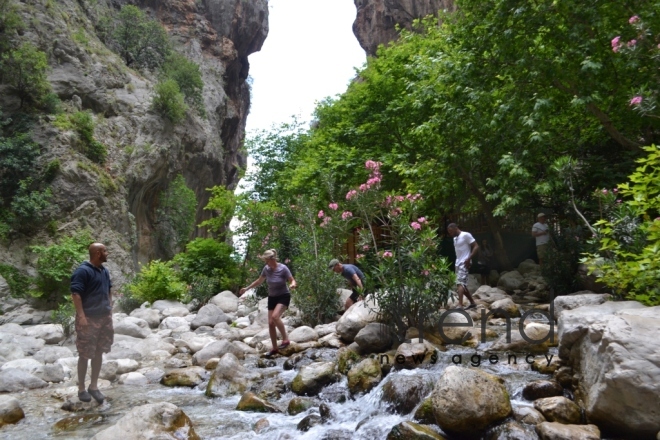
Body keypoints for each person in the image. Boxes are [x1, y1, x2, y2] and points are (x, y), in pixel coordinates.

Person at [70, 242, 113, 404]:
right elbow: (76, 293)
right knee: (84, 354)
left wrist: (109, 306)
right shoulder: (83, 271)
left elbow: (109, 288)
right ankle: (81, 388)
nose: (107, 253)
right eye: (105, 251)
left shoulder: (104, 271)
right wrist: (81, 316)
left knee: (99, 352)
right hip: (88, 319)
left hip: (104, 318)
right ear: (97, 253)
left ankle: (93, 386)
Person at [239, 249, 297, 357]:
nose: (266, 263)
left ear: (272, 259)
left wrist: (293, 285)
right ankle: (274, 348)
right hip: (272, 298)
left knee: (275, 317)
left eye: (266, 260)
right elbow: (259, 281)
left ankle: (285, 339)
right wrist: (247, 288)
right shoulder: (266, 269)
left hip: (283, 296)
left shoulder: (283, 268)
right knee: (270, 323)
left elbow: (292, 280)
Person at [447, 223, 479, 309]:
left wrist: (469, 258)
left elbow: (476, 246)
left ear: (455, 228)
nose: (450, 233)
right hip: (457, 263)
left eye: (451, 231)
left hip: (464, 263)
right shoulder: (455, 238)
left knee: (460, 283)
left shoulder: (466, 235)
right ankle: (472, 302)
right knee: (461, 283)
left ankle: (460, 305)